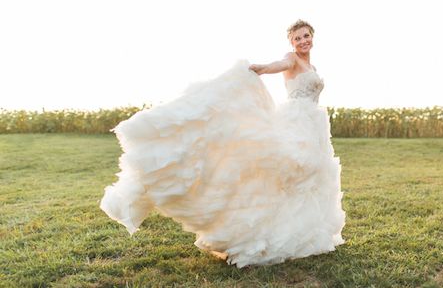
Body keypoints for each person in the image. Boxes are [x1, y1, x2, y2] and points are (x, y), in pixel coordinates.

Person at [100, 19, 345, 268]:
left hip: (313, 125)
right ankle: (263, 229)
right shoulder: (291, 58)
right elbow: (278, 65)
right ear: (291, 43)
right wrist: (261, 68)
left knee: (311, 177)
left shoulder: (311, 64)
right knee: (290, 169)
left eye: (306, 36)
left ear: (312, 36)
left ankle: (306, 230)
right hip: (296, 121)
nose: (303, 41)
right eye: (297, 38)